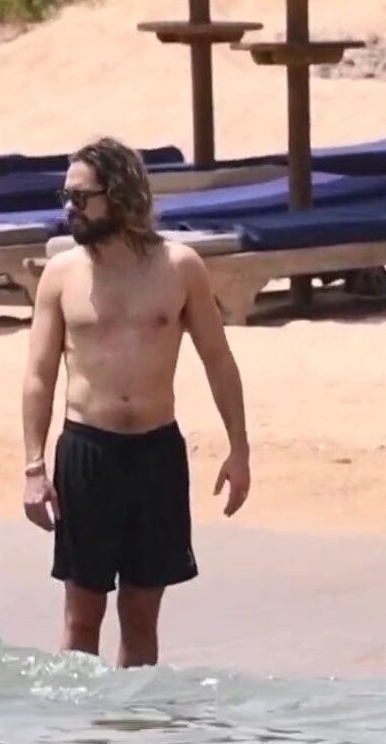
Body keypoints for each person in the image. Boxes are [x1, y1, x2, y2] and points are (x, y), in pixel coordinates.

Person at [19, 137, 251, 669]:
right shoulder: (61, 274)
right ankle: (81, 723)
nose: (70, 208)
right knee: (81, 618)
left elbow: (218, 360)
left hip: (155, 455)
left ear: (120, 194)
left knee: (142, 619)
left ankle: (136, 722)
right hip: (87, 453)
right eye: (66, 197)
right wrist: (34, 468)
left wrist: (239, 451)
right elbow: (38, 375)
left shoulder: (180, 267)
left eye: (82, 197)